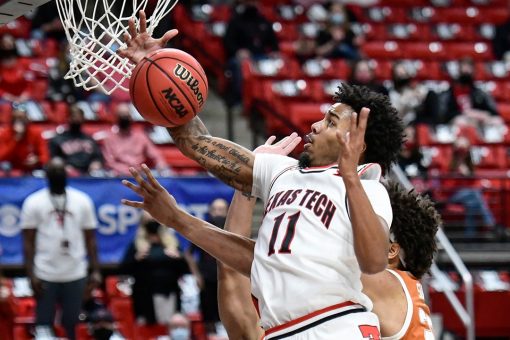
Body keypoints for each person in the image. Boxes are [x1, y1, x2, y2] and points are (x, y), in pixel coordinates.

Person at [119, 13, 404, 339]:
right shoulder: (282, 173)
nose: (314, 125)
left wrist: (351, 177)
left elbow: (373, 261)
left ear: (356, 140)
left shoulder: (369, 190)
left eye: (330, 121)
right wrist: (152, 66)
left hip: (336, 326)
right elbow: (196, 144)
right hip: (280, 330)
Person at [214, 179, 440, 340]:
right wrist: (247, 186)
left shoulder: (386, 280)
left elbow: (284, 259)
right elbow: (231, 269)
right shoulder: (384, 289)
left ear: (391, 251)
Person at [21, 157, 102, 340]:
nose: (57, 175)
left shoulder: (82, 200)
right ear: (47, 175)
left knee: (73, 324)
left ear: (66, 174)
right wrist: (31, 274)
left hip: (75, 272)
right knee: (43, 326)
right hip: (45, 273)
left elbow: (91, 240)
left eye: (60, 171)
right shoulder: (33, 202)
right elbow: (28, 243)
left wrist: (96, 270)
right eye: (54, 171)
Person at [120, 212, 189, 325]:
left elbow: (185, 269)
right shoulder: (136, 244)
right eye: (148, 220)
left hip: (169, 293)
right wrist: (136, 258)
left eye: (155, 219)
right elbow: (124, 269)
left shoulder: (172, 243)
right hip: (145, 296)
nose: (152, 223)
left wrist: (178, 258)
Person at [223, 0, 279, 106]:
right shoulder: (236, 21)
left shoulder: (263, 21)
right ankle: (240, 99)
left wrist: (275, 52)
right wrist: (238, 51)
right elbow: (228, 41)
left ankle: (268, 101)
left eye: (254, 2)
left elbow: (274, 43)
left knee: (277, 65)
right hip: (242, 58)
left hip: (262, 58)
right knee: (239, 65)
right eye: (250, 2)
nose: (252, 4)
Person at [188, 198, 229, 336]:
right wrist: (197, 275)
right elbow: (188, 254)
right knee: (208, 314)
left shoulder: (232, 230)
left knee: (227, 311)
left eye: (221, 210)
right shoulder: (202, 230)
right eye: (215, 210)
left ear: (227, 212)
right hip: (207, 278)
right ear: (210, 212)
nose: (218, 213)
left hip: (228, 279)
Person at [437, 58, 504, 139]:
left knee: (497, 120)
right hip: (460, 121)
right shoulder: (450, 92)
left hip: (478, 120)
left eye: (469, 67)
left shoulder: (479, 92)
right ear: (458, 69)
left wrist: (481, 114)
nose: (466, 70)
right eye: (464, 66)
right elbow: (444, 114)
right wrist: (464, 113)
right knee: (460, 121)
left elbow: (493, 111)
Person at [102, 103, 169, 176]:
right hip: (118, 175)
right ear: (116, 117)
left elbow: (155, 154)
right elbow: (109, 162)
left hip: (139, 173)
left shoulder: (140, 136)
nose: (124, 118)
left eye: (126, 115)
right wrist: (127, 171)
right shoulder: (109, 138)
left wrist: (161, 164)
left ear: (131, 117)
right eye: (121, 115)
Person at [49, 104, 104, 176]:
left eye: (79, 117)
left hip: (88, 173)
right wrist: (64, 167)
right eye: (74, 117)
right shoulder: (58, 139)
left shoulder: (89, 139)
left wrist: (96, 163)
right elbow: (54, 158)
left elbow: (98, 157)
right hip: (66, 173)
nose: (77, 119)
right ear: (68, 118)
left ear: (83, 119)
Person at [0, 106, 49, 174]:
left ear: (27, 119)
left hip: (32, 168)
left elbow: (45, 156)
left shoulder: (36, 132)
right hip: (12, 168)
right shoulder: (5, 133)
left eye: (21, 118)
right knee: (5, 165)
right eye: (15, 118)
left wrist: (37, 159)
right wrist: (16, 139)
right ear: (11, 119)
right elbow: (1, 157)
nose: (18, 121)